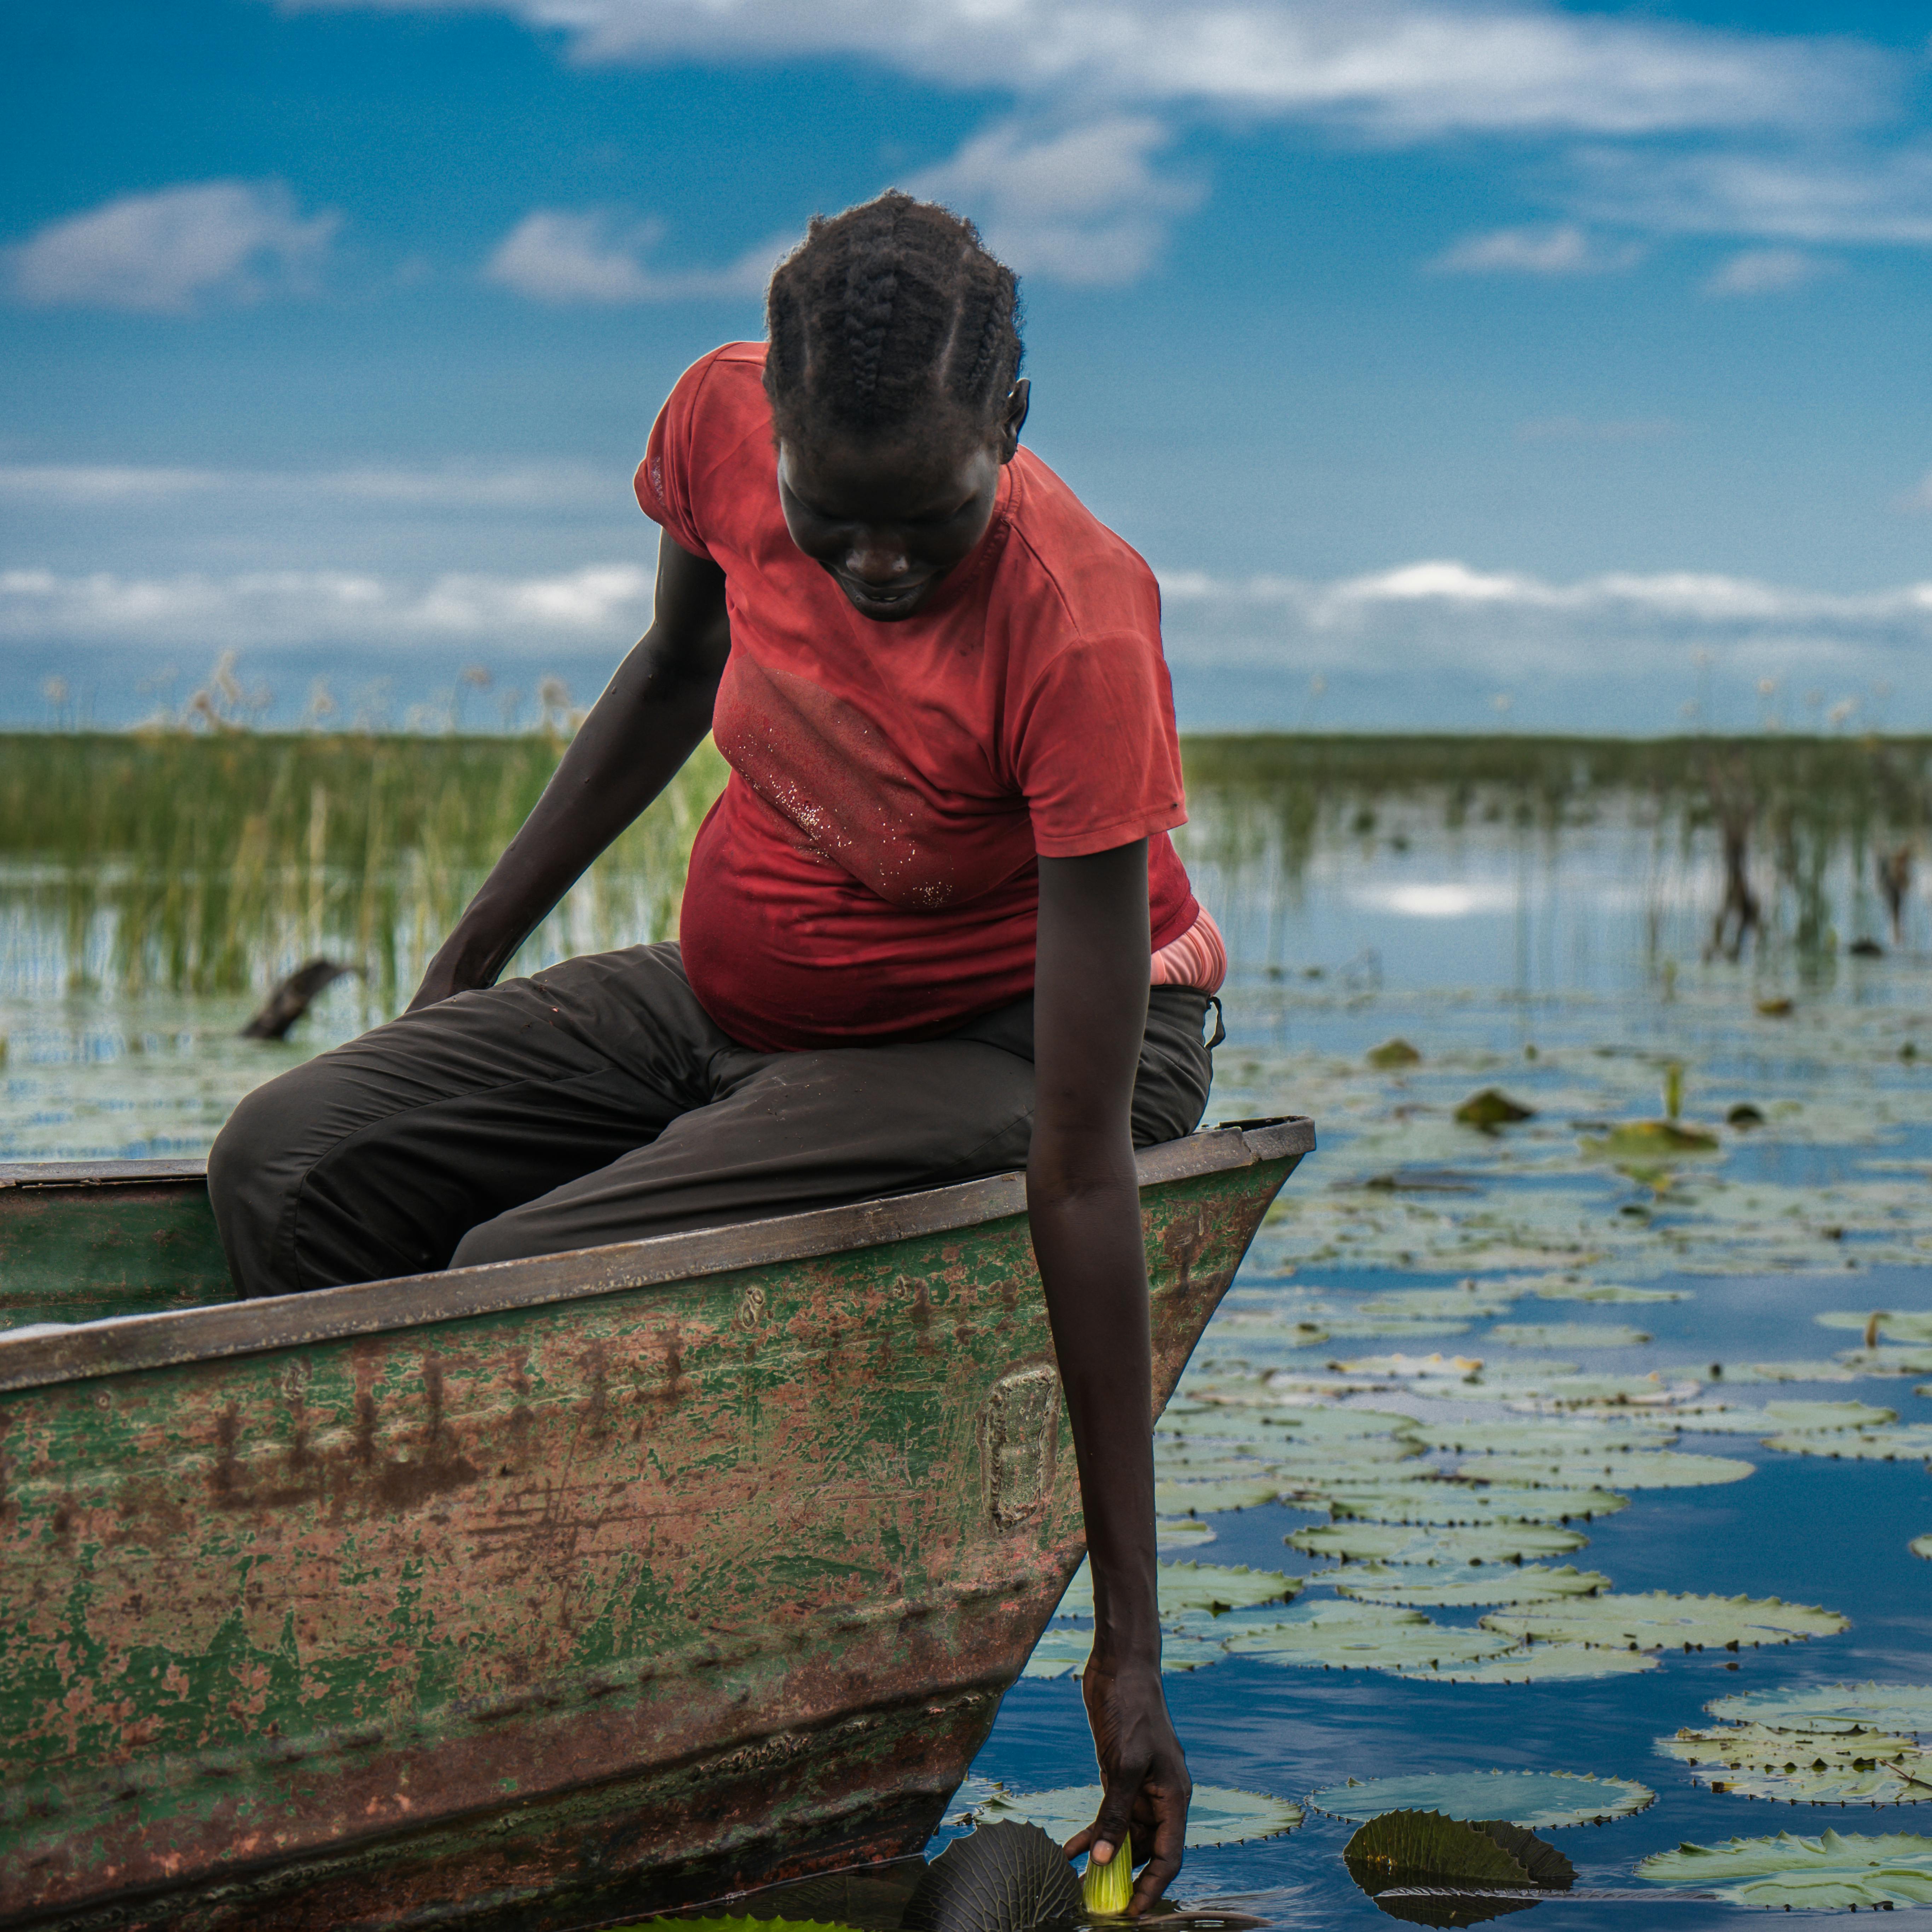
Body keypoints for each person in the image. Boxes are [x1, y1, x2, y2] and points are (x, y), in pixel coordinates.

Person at [206, 190, 1211, 1915]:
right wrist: (463, 961)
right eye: (836, 521)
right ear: (773, 445)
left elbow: (1079, 1160)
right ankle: (418, 1638)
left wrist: (1128, 1642)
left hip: (1029, 1051)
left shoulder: (1081, 621)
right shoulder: (714, 420)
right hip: (732, 999)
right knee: (283, 1159)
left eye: (927, 523)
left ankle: (545, 1681)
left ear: (1011, 432)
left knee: (528, 1275)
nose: (877, 565)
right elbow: (676, 665)